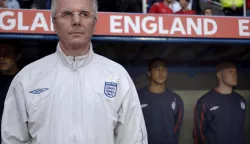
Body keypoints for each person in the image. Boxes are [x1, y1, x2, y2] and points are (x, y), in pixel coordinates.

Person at [1, 0, 148, 143]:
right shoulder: (27, 78)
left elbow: (133, 138)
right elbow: (12, 139)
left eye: (84, 14)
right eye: (67, 14)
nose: (76, 21)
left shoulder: (117, 76)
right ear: (54, 23)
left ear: (95, 22)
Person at [193, 62, 247, 144]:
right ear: (219, 75)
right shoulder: (205, 101)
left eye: (235, 72)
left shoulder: (240, 100)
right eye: (230, 71)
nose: (235, 74)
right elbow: (198, 132)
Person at [138, 58, 183, 144]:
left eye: (164, 69)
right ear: (149, 73)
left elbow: (177, 127)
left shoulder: (176, 99)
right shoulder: (137, 97)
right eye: (156, 69)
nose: (161, 72)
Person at [0, 43, 21, 139]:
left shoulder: (27, 80)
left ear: (17, 56)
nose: (1, 58)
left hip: (18, 135)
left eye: (7, 54)